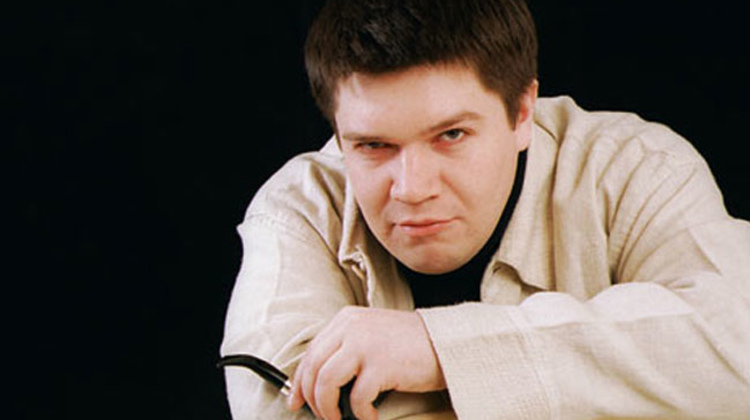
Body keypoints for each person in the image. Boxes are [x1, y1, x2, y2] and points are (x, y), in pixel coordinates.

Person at [220, 0, 750, 419]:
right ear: (339, 136)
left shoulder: (638, 168)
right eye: (373, 146)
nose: (412, 189)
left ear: (522, 113)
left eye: (451, 134)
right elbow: (275, 411)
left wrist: (437, 348)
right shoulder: (297, 210)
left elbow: (737, 351)